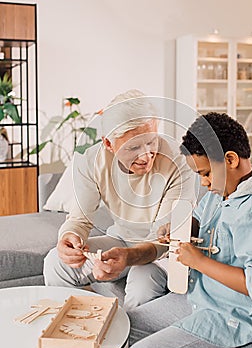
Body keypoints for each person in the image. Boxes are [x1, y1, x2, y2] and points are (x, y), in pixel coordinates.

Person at [120, 112, 252, 348]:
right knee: (123, 329)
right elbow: (199, 221)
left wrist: (199, 261)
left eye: (205, 173)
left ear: (231, 160)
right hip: (202, 297)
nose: (203, 182)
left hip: (234, 315)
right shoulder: (220, 194)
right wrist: (179, 229)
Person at [43, 90, 196, 310]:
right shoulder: (90, 160)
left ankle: (132, 343)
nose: (146, 156)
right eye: (133, 148)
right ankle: (73, 331)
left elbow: (164, 238)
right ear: (108, 144)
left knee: (141, 286)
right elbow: (80, 218)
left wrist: (129, 257)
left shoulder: (178, 160)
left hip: (165, 252)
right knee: (56, 263)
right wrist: (70, 237)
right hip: (123, 239)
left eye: (152, 142)